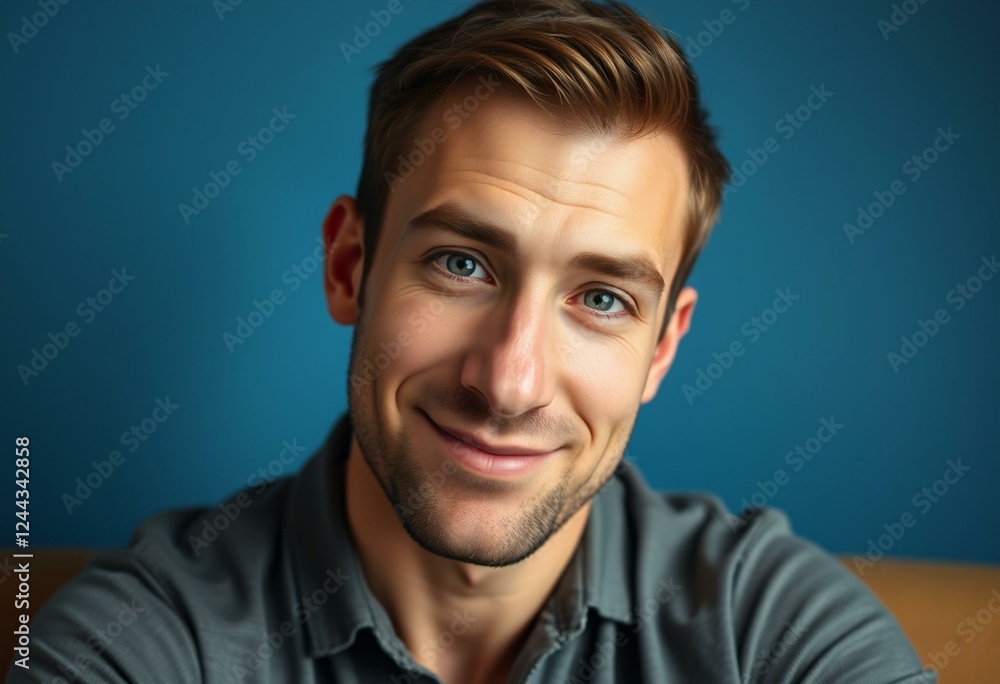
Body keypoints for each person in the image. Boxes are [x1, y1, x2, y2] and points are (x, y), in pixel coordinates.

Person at [13, 1, 935, 682]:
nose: (510, 381)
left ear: (662, 348)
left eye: (603, 298)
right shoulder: (145, 639)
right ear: (349, 267)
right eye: (463, 264)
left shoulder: (765, 623)